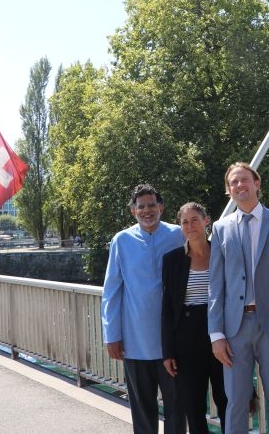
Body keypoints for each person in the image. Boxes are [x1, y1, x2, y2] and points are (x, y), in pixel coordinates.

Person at [208, 162, 269, 434]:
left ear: (257, 183)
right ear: (228, 190)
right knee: (235, 401)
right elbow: (216, 284)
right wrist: (216, 334)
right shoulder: (221, 228)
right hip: (234, 329)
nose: (240, 185)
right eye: (233, 182)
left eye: (245, 180)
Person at [101, 184, 185, 434]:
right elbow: (112, 290)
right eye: (141, 206)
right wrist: (111, 334)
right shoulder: (122, 240)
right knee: (142, 410)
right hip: (135, 342)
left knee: (177, 408)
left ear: (161, 207)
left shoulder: (178, 235)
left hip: (173, 341)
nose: (147, 211)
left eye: (151, 205)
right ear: (133, 211)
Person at [161, 202, 227, 433]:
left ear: (206, 221)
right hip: (186, 339)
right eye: (184, 222)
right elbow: (168, 308)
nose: (190, 226)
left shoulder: (222, 252)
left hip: (220, 334)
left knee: (226, 399)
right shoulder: (172, 260)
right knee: (194, 405)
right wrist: (167, 351)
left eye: (195, 220)